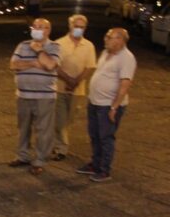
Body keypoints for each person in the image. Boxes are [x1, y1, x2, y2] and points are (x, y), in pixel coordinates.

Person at [78, 27, 135, 183]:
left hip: (108, 106)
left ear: (120, 40)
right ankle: (95, 164)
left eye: (109, 37)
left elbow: (125, 85)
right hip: (95, 102)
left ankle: (104, 170)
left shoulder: (127, 58)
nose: (106, 39)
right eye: (106, 36)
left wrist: (114, 107)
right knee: (94, 135)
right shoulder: (105, 53)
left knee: (106, 137)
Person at [9, 17, 61, 175]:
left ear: (48, 30)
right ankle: (22, 156)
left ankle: (40, 160)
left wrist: (39, 51)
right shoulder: (23, 45)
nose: (37, 29)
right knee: (23, 128)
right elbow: (13, 64)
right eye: (35, 27)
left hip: (45, 96)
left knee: (44, 129)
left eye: (41, 27)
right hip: (23, 94)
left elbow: (50, 65)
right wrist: (34, 64)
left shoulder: (54, 46)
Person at [53, 14, 97, 161]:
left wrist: (76, 81)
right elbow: (55, 66)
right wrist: (68, 80)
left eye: (82, 27)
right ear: (70, 26)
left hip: (78, 90)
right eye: (76, 26)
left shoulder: (89, 46)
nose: (79, 29)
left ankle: (58, 141)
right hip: (59, 87)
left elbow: (90, 67)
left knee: (69, 119)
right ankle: (61, 148)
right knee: (60, 119)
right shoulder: (59, 44)